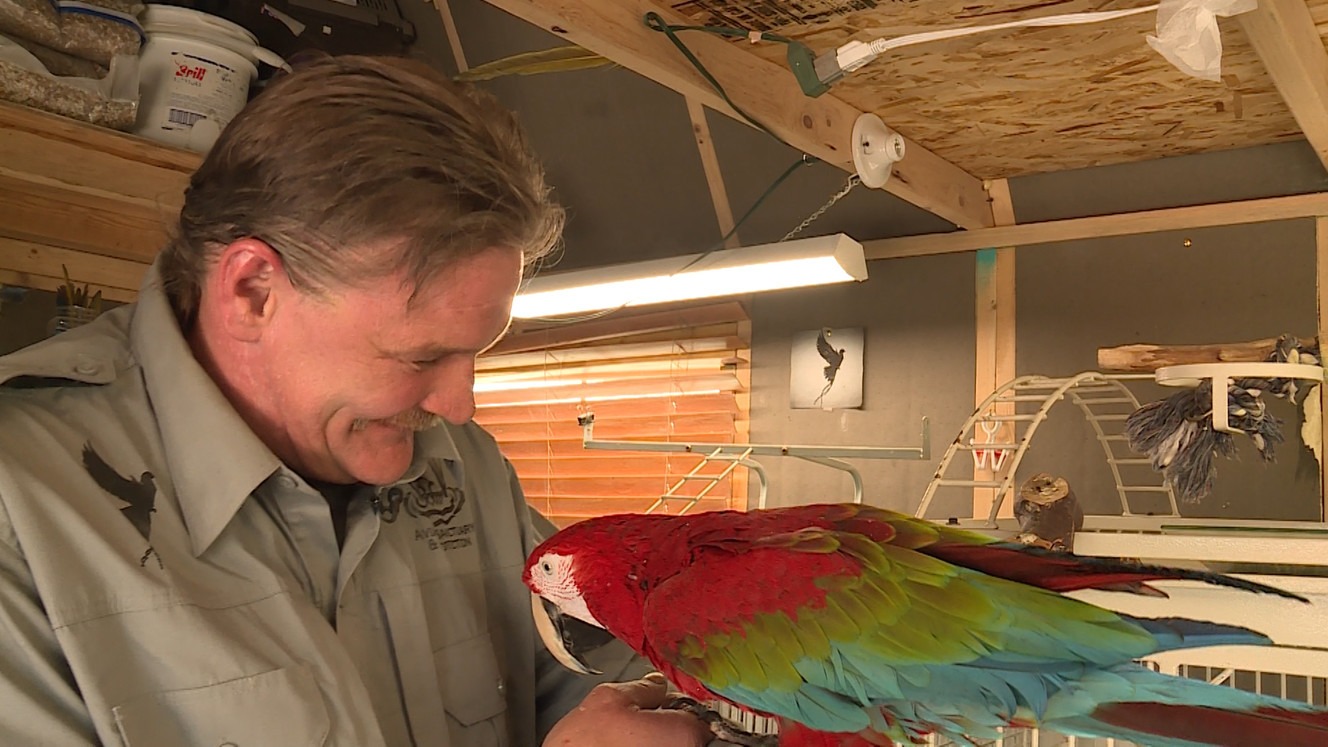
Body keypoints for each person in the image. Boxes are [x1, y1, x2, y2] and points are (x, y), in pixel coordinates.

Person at [0, 55, 713, 746]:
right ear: (253, 292)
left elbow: (608, 684)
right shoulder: (24, 510)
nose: (460, 407)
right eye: (420, 356)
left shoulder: (464, 468)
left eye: (477, 352)